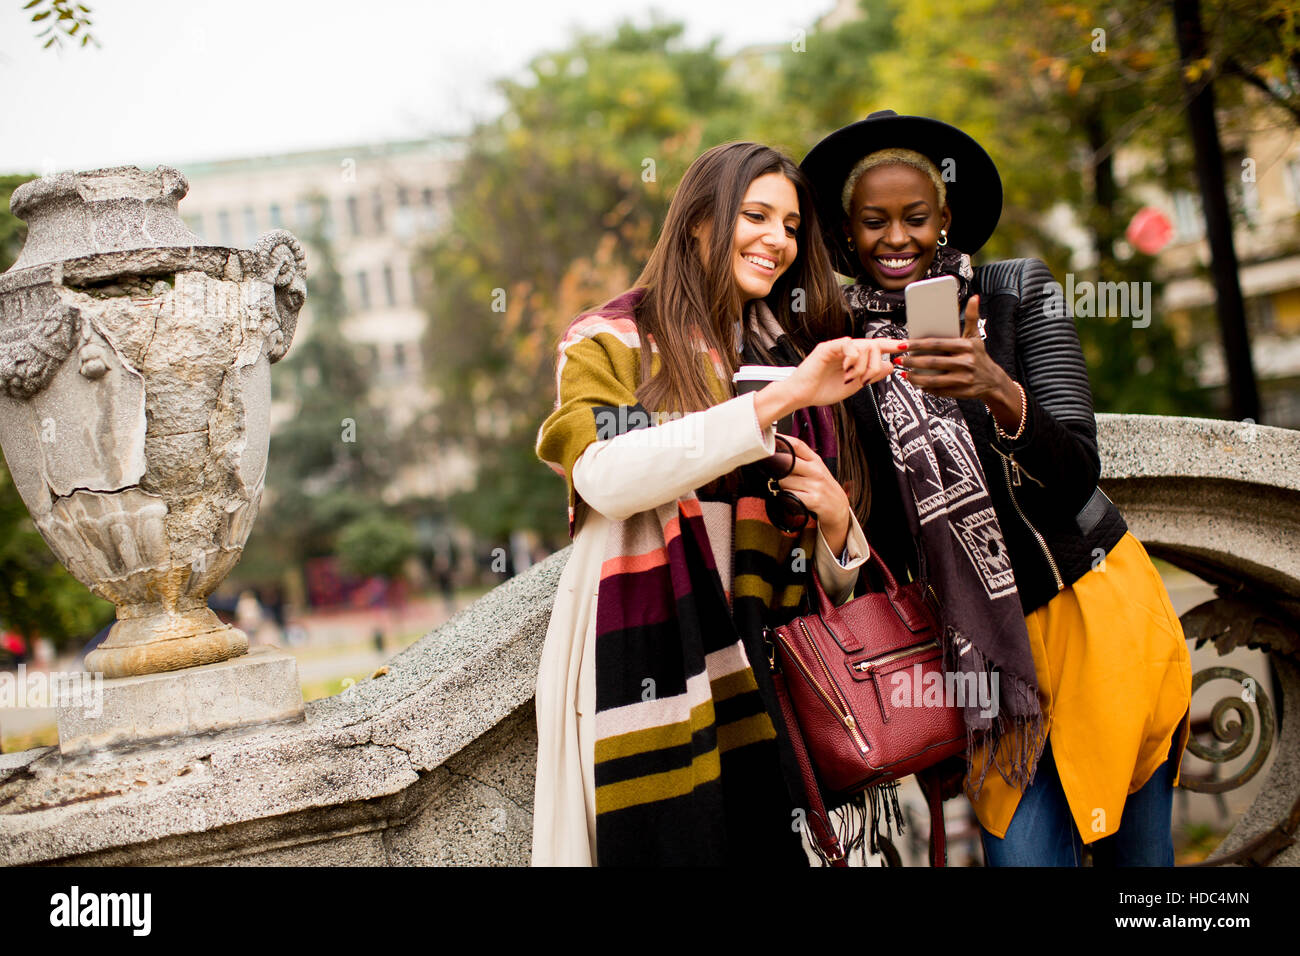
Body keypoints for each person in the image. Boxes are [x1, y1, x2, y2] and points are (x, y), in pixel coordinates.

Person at [799, 111, 1192, 866]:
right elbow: (878, 530)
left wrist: (998, 391)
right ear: (846, 235)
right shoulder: (834, 347)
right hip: (979, 667)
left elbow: (1077, 467)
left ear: (945, 217)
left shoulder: (1015, 291)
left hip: (1094, 614)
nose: (896, 239)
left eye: (915, 217)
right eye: (873, 222)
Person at [532, 141, 903, 866]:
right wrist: (780, 400)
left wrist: (835, 518)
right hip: (652, 669)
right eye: (757, 215)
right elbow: (606, 472)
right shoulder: (617, 340)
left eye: (792, 227)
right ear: (699, 220)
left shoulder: (780, 357)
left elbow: (816, 582)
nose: (779, 241)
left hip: (767, 685)